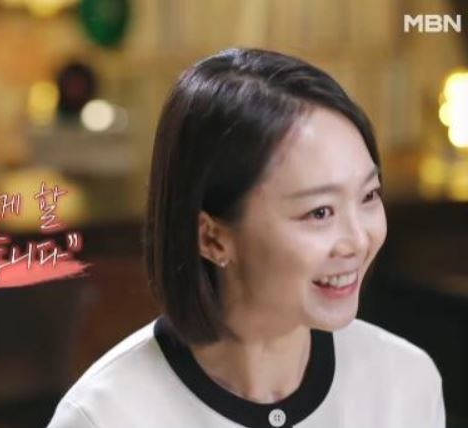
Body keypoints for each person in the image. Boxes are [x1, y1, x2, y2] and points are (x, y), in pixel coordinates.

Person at [46, 48, 445, 428]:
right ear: (212, 238)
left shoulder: (404, 383)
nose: (358, 240)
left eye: (369, 196)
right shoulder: (104, 416)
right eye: (320, 212)